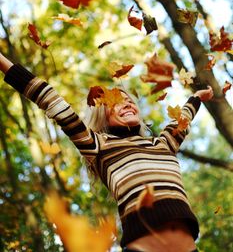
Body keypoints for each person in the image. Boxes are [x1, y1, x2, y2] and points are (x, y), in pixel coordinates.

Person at [0, 52, 214, 252]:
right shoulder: (98, 146)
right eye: (117, 103)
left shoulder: (162, 144)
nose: (128, 104)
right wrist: (3, 62)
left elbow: (182, 120)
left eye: (130, 100)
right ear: (102, 114)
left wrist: (196, 97)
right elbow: (52, 102)